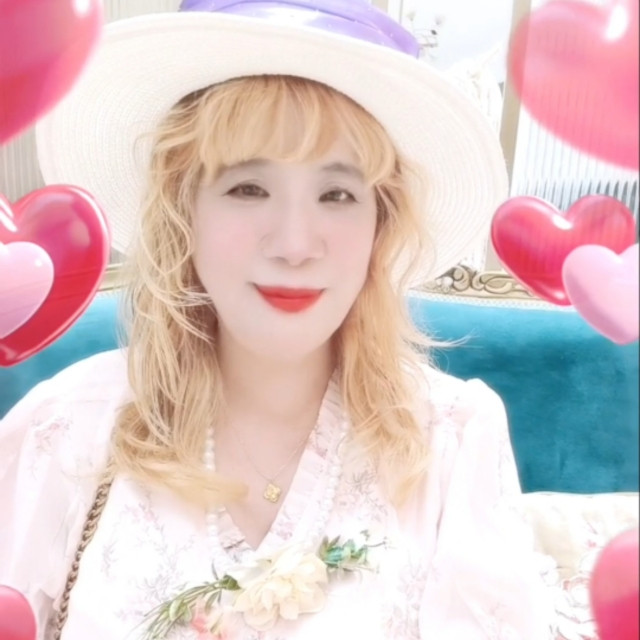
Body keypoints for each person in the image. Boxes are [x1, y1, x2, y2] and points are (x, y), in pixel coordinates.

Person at [0, 1, 556, 638]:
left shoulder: (449, 441)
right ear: (184, 213)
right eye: (248, 188)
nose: (294, 244)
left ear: (380, 226)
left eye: (337, 194)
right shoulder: (68, 427)